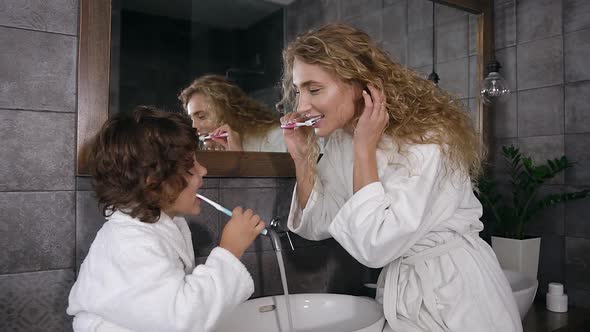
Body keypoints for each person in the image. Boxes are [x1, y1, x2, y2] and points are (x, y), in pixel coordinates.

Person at [279, 23, 522, 332]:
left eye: (314, 90)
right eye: (299, 91)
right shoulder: (341, 142)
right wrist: (303, 159)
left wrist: (365, 149)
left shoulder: (427, 137)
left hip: (455, 292)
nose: (301, 106)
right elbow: (317, 225)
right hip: (404, 289)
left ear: (359, 83)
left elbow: (376, 244)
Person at [67, 106, 266, 331]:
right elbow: (182, 320)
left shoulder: (157, 227)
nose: (203, 171)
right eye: (190, 167)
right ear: (153, 182)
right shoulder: (130, 243)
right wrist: (230, 251)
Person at [179, 74, 286, 152]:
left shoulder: (275, 137)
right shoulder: (208, 153)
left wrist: (237, 158)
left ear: (228, 111)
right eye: (192, 119)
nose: (194, 126)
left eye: (202, 116)